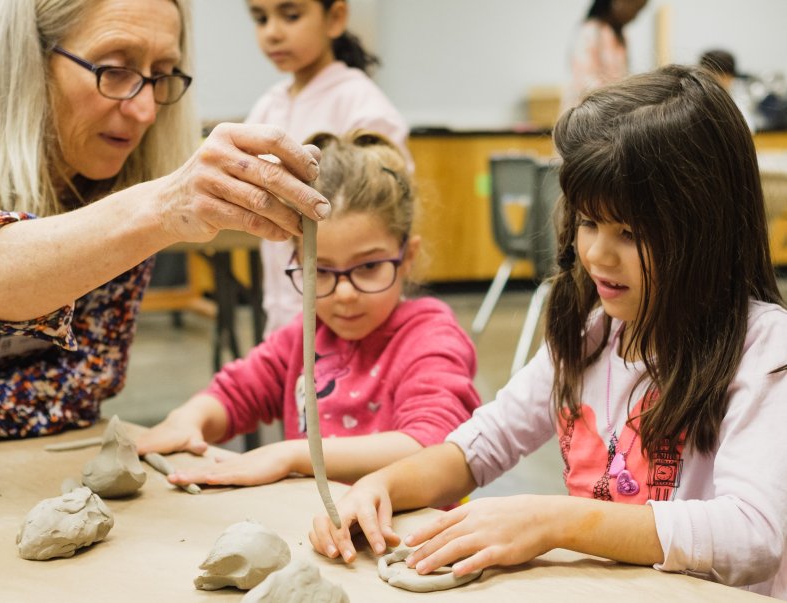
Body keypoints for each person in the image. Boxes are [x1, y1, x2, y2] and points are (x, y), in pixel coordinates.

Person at [310, 65, 787, 598]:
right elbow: (481, 446)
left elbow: (752, 535)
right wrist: (383, 485)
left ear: (707, 230)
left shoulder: (763, 348)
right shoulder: (593, 334)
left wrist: (556, 522)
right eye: (587, 223)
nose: (598, 255)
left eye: (629, 233)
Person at [0, 0, 333, 452]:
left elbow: (82, 382)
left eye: (161, 74)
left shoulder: (122, 183)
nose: (144, 111)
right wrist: (159, 208)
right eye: (114, 69)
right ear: (32, 60)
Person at [136, 131, 480, 487]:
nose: (344, 293)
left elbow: (434, 446)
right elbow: (236, 393)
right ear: (298, 260)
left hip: (409, 533)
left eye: (367, 267)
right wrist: (188, 419)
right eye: (322, 271)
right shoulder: (306, 335)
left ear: (406, 257)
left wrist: (292, 455)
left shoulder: (429, 337)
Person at [245, 0, 412, 336]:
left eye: (290, 15)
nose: (272, 33)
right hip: (283, 317)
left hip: (348, 314)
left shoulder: (362, 105)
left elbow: (392, 211)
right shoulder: (269, 105)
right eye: (261, 19)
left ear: (335, 18)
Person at [560, 0, 648, 113]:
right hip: (585, 111)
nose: (634, 15)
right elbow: (584, 82)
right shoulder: (590, 31)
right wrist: (618, 96)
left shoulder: (621, 38)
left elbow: (623, 77)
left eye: (638, 11)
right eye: (633, 7)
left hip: (610, 110)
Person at [699, 48, 756, 132]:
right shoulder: (695, 100)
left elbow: (749, 129)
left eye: (725, 76)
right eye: (714, 75)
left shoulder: (738, 100)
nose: (719, 81)